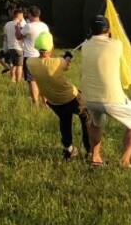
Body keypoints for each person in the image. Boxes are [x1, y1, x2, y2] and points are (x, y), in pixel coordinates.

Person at [79, 14, 131, 168]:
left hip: (89, 98)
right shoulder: (116, 45)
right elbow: (118, 40)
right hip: (111, 97)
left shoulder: (85, 46)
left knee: (96, 124)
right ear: (107, 30)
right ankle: (125, 160)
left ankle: (95, 157)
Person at [27, 31, 91, 160]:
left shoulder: (30, 62)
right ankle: (90, 151)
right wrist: (67, 57)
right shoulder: (58, 62)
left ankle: (68, 149)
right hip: (72, 97)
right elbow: (66, 65)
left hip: (54, 102)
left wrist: (62, 58)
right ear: (51, 47)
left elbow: (48, 63)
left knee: (65, 121)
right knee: (87, 118)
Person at [20, 6, 51, 106]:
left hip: (30, 56)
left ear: (30, 14)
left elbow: (18, 36)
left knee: (32, 80)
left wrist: (17, 29)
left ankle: (35, 103)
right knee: (42, 80)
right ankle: (45, 102)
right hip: (43, 55)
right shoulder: (44, 26)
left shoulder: (28, 26)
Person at [1, 9, 25, 84]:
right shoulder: (21, 24)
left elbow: (5, 37)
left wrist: (5, 47)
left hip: (10, 47)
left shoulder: (7, 24)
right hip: (19, 47)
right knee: (20, 66)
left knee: (14, 65)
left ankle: (12, 80)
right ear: (19, 15)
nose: (22, 17)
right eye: (22, 15)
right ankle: (18, 82)